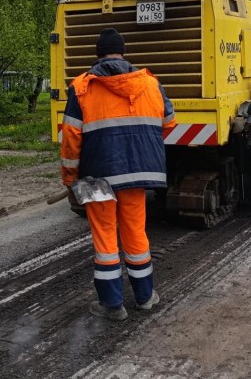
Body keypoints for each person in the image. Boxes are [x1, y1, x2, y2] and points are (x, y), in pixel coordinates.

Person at [60, 28, 177, 320]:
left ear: (98, 54)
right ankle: (145, 297)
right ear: (123, 53)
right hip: (135, 173)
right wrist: (139, 142)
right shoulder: (150, 83)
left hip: (96, 176)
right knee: (135, 232)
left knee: (105, 237)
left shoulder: (82, 87)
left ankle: (112, 305)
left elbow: (71, 138)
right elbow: (170, 122)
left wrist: (70, 179)